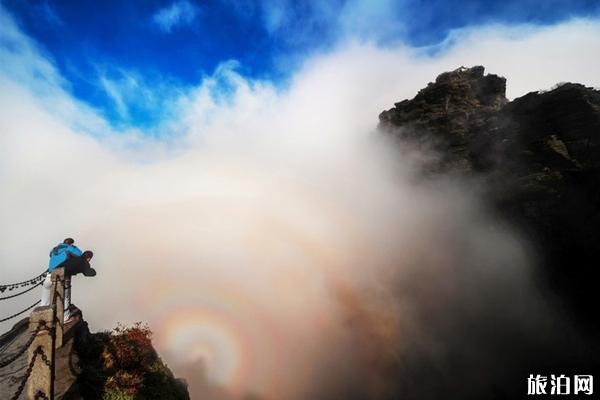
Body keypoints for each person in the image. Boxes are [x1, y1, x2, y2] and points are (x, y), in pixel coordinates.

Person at [41, 238, 96, 322]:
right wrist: (73, 247)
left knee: (45, 299)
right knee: (65, 296)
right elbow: (79, 254)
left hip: (49, 275)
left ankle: (42, 318)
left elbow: (50, 256)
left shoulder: (55, 249)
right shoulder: (70, 249)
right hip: (61, 277)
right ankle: (65, 317)